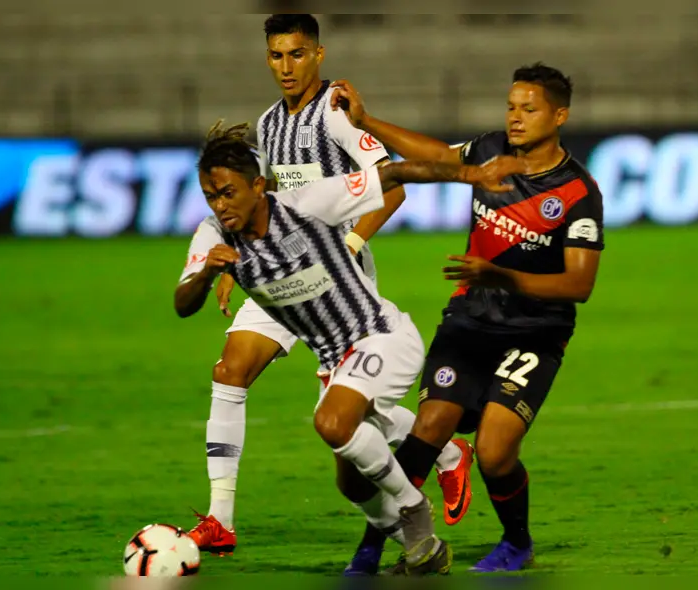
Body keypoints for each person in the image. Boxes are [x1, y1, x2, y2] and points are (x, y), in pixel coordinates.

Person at [180, 14, 473, 567]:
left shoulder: (334, 115)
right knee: (230, 369)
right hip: (276, 274)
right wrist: (227, 265)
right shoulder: (268, 125)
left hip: (335, 280)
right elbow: (257, 202)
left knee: (343, 418)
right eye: (276, 56)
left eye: (296, 54)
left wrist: (355, 244)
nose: (285, 67)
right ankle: (221, 519)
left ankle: (446, 450)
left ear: (318, 54)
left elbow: (391, 186)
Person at [177, 121, 526, 573]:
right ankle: (423, 550)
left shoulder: (308, 203)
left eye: (227, 193)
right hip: (335, 362)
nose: (219, 206)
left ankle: (414, 510)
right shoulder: (213, 234)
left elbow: (393, 176)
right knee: (353, 485)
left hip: (382, 335)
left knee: (332, 422)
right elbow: (183, 303)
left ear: (258, 186)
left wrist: (468, 176)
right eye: (210, 196)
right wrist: (206, 273)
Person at [329, 62, 604, 572]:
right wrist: (367, 122)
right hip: (470, 321)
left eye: (530, 108)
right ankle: (371, 551)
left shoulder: (577, 193)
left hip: (535, 332)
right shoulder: (490, 150)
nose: (516, 118)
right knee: (428, 429)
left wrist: (504, 278)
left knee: (496, 450)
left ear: (560, 115)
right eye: (511, 106)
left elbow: (579, 285)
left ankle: (516, 543)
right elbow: (435, 156)